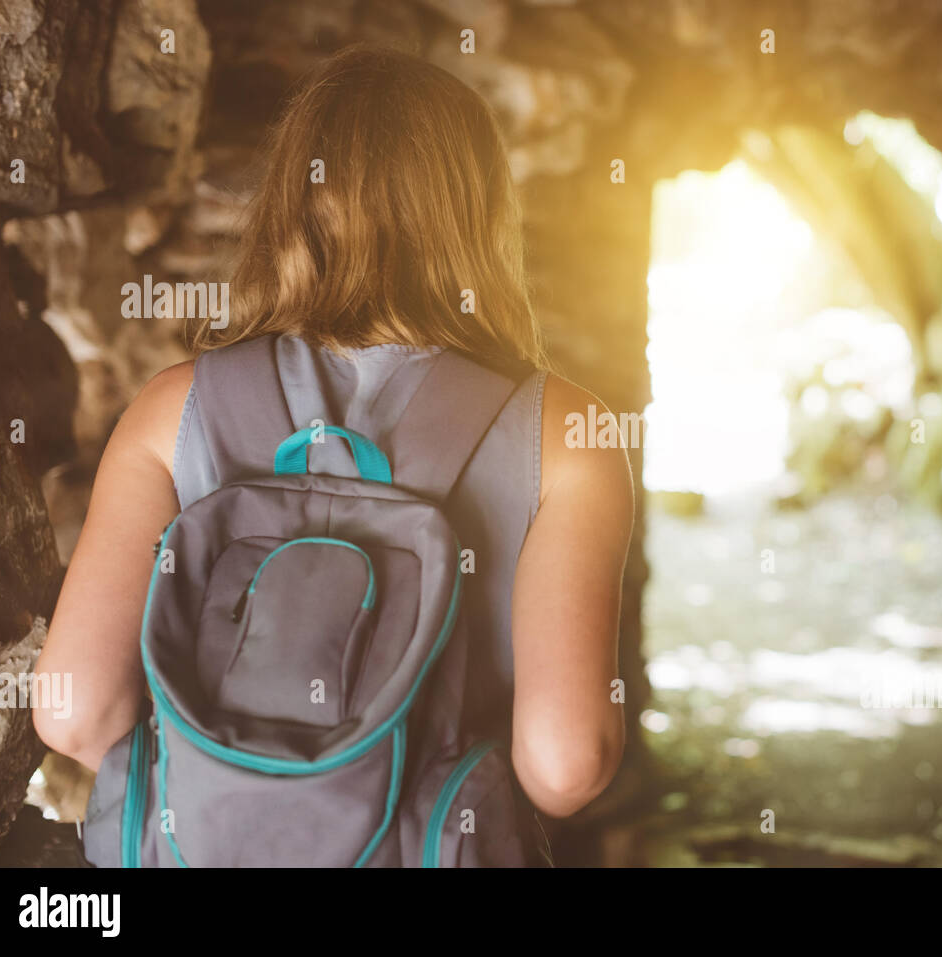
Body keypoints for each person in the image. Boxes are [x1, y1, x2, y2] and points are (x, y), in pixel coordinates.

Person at [33, 44, 632, 828]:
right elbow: (565, 764)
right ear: (481, 217)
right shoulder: (566, 436)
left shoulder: (170, 410)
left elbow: (74, 713)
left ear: (289, 202)